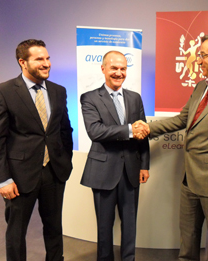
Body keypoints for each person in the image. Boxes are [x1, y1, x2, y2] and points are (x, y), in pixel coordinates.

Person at [134, 33, 208, 260]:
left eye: (202, 55)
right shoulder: (201, 87)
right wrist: (150, 128)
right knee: (187, 236)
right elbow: (182, 119)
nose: (197, 61)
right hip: (189, 179)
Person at [0, 39, 73, 261]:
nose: (46, 64)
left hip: (54, 173)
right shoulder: (3, 91)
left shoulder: (58, 91)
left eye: (48, 58)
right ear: (22, 62)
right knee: (16, 233)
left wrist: (66, 161)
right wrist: (3, 180)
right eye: (39, 59)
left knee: (54, 229)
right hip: (19, 177)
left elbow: (65, 130)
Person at [80, 51, 150, 261]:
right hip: (103, 171)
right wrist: (129, 129)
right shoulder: (90, 98)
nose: (119, 73)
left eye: (123, 69)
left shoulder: (135, 98)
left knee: (130, 224)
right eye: (114, 68)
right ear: (103, 69)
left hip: (130, 171)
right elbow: (96, 131)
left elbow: (143, 133)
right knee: (104, 226)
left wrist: (145, 164)